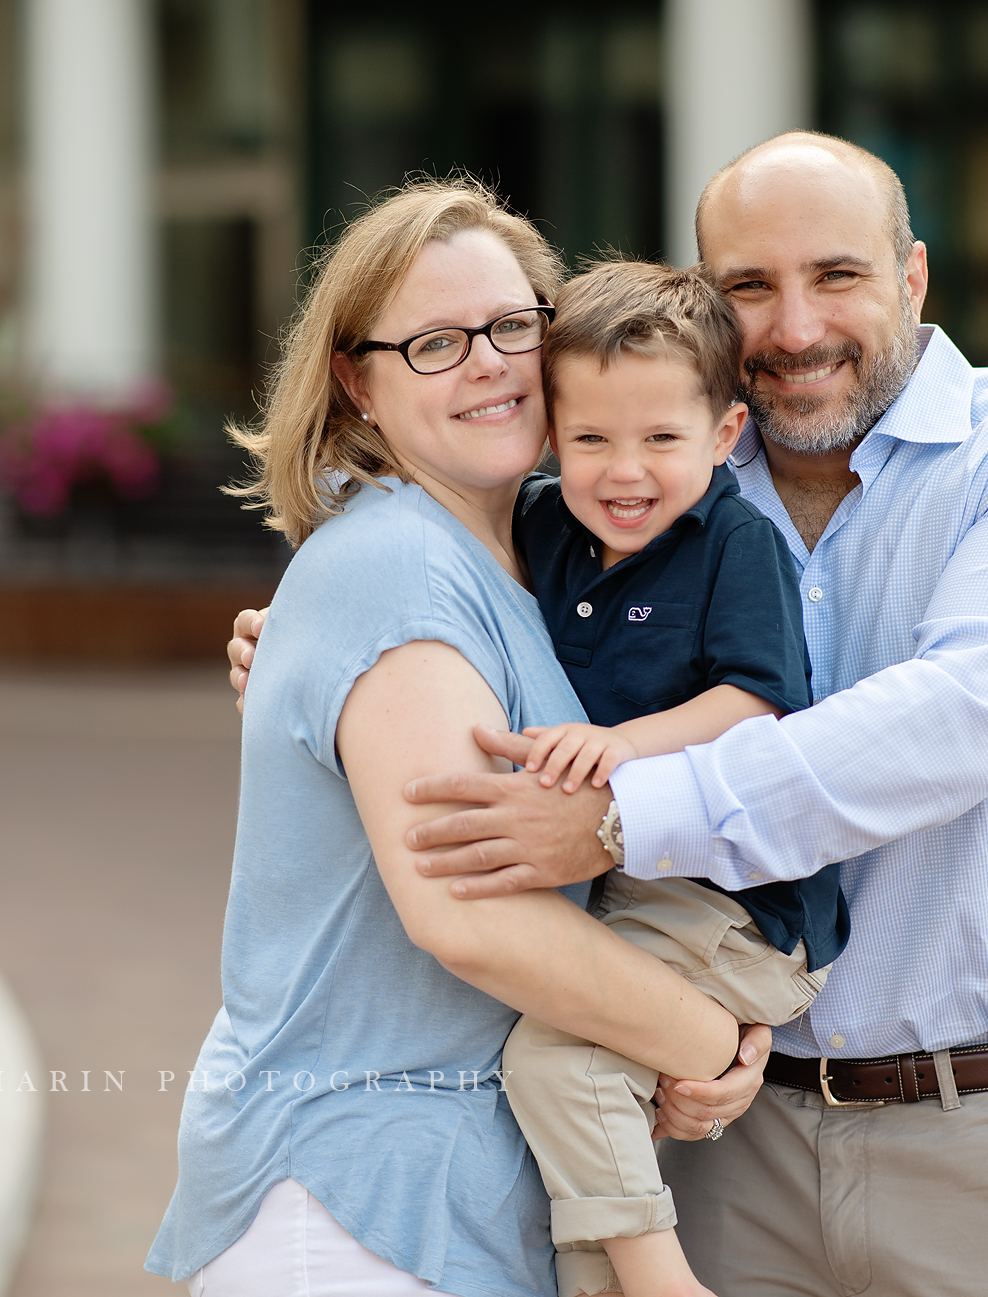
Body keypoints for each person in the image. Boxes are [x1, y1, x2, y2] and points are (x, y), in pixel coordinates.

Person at [229, 131, 988, 1296]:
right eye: (747, 287)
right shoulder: (651, 482)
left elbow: (946, 727)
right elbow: (456, 589)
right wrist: (326, 656)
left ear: (913, 277)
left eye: (836, 275)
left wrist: (622, 813)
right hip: (726, 1142)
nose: (791, 326)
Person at [149, 178, 773, 1297]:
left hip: (448, 1197)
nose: (486, 362)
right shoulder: (395, 564)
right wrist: (709, 1041)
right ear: (358, 381)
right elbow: (469, 912)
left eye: (509, 325)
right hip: (358, 1203)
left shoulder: (536, 560)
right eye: (433, 342)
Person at [499, 260, 849, 1297]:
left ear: (725, 433)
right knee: (580, 1107)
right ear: (549, 433)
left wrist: (627, 743)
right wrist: (282, 635)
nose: (624, 472)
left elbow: (756, 701)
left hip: (738, 908)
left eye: (661, 439)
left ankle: (664, 1286)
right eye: (592, 439)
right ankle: (601, 1277)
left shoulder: (735, 542)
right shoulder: (538, 527)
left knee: (554, 1062)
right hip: (630, 891)